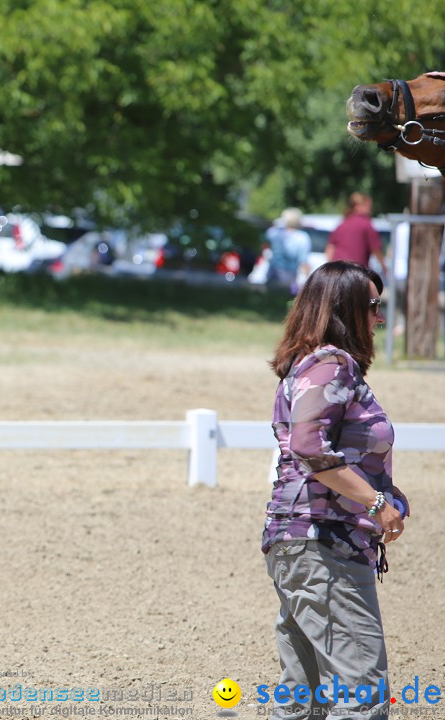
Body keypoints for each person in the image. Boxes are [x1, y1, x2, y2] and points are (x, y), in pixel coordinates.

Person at [263, 260, 409, 720]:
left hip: (303, 544)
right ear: (345, 308)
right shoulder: (331, 365)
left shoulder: (311, 366)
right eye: (373, 306)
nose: (379, 317)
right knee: (360, 695)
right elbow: (309, 446)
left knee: (303, 699)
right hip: (323, 545)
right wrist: (377, 501)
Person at [326, 192, 385, 270]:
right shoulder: (366, 224)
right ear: (358, 206)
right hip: (356, 272)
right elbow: (376, 249)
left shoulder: (342, 223)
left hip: (338, 270)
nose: (370, 209)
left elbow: (330, 248)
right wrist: (384, 266)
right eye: (368, 206)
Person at [265, 208, 312, 293]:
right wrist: (310, 281)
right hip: (289, 275)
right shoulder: (302, 237)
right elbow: (303, 262)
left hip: (272, 272)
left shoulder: (273, 232)